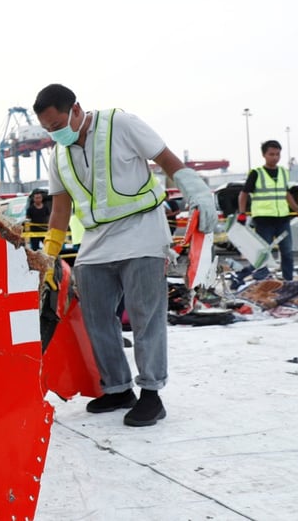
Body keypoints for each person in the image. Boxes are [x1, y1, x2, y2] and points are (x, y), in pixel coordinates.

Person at [32, 83, 216, 427]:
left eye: (57, 126)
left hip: (142, 232)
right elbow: (60, 208)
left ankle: (151, 394)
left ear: (75, 109)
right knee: (96, 317)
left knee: (146, 316)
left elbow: (166, 159)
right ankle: (118, 388)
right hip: (96, 241)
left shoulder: (121, 124)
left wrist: (198, 192)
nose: (54, 135)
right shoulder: (58, 154)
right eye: (47, 130)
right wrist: (49, 256)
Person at [237, 140, 298, 280]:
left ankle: (288, 282)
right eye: (271, 154)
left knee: (287, 253)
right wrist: (242, 213)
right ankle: (261, 281)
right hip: (263, 220)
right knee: (263, 254)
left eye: (278, 154)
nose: (275, 157)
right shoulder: (257, 173)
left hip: (282, 220)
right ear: (264, 155)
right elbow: (243, 194)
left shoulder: (283, 172)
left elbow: (285, 193)